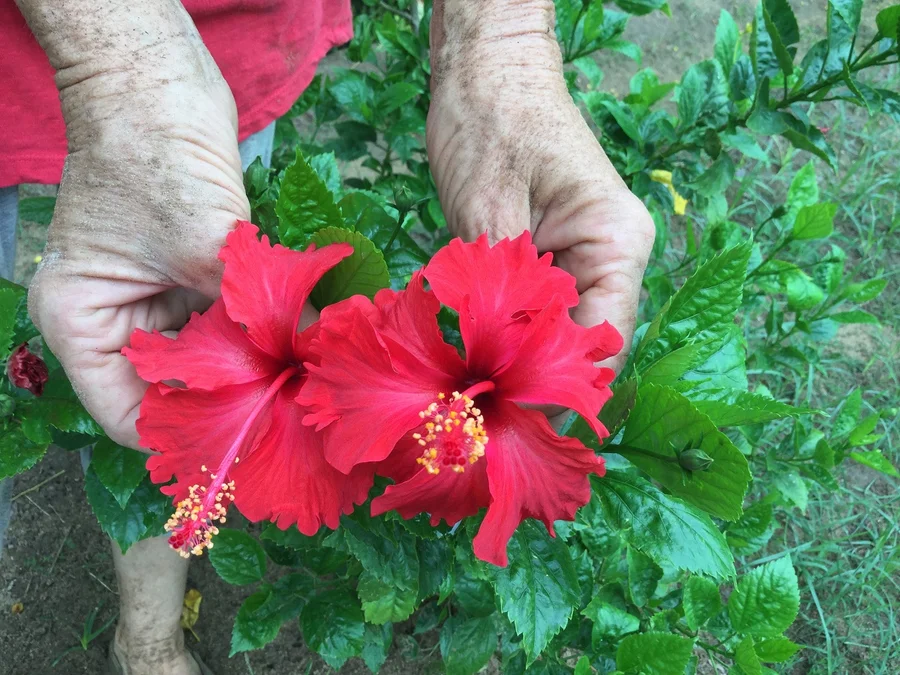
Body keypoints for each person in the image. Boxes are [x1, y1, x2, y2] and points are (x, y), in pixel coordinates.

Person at [1, 0, 654, 673]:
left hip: (238, 44)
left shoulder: (451, 424)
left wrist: (502, 46)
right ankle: (148, 636)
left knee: (156, 313)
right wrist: (118, 79)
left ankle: (149, 635)